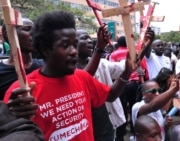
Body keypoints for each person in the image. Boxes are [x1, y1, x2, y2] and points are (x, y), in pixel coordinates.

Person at [3, 10, 136, 141]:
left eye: (75, 45)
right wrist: (12, 115)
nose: (74, 52)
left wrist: (127, 71)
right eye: (66, 45)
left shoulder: (82, 77)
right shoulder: (23, 93)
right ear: (45, 49)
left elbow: (111, 95)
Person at [109, 35, 152, 141]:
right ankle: (134, 132)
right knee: (134, 108)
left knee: (121, 110)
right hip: (134, 85)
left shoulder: (113, 54)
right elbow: (141, 66)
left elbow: (112, 71)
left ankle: (120, 135)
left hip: (121, 85)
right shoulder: (132, 54)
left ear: (118, 44)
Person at [131, 70, 180, 141]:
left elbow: (159, 130)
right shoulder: (137, 107)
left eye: (159, 91)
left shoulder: (158, 110)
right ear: (144, 95)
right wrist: (173, 88)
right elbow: (152, 106)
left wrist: (166, 125)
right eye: (153, 91)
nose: (157, 94)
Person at [0, 18, 43, 100]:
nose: (35, 34)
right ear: (8, 34)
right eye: (27, 29)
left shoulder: (45, 66)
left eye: (35, 30)